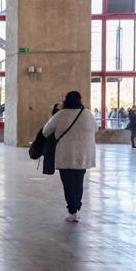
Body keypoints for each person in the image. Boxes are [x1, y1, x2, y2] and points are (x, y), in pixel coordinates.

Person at [41, 91, 96, 222]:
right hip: (83, 154)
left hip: (66, 154)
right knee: (79, 182)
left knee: (68, 184)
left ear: (66, 100)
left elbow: (45, 131)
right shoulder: (88, 114)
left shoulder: (60, 115)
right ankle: (76, 207)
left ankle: (72, 211)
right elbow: (96, 128)